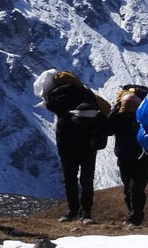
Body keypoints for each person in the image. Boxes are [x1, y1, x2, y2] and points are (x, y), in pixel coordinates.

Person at [42, 71, 107, 223]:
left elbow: (51, 106)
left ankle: (72, 210)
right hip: (88, 143)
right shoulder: (87, 93)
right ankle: (86, 213)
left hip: (66, 142)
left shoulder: (56, 94)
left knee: (69, 178)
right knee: (87, 179)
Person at [107, 85, 148, 226]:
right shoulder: (140, 116)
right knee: (130, 188)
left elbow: (108, 129)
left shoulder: (124, 116)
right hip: (139, 155)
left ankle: (135, 218)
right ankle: (134, 216)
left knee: (135, 188)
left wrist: (114, 112)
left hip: (132, 155)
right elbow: (108, 129)